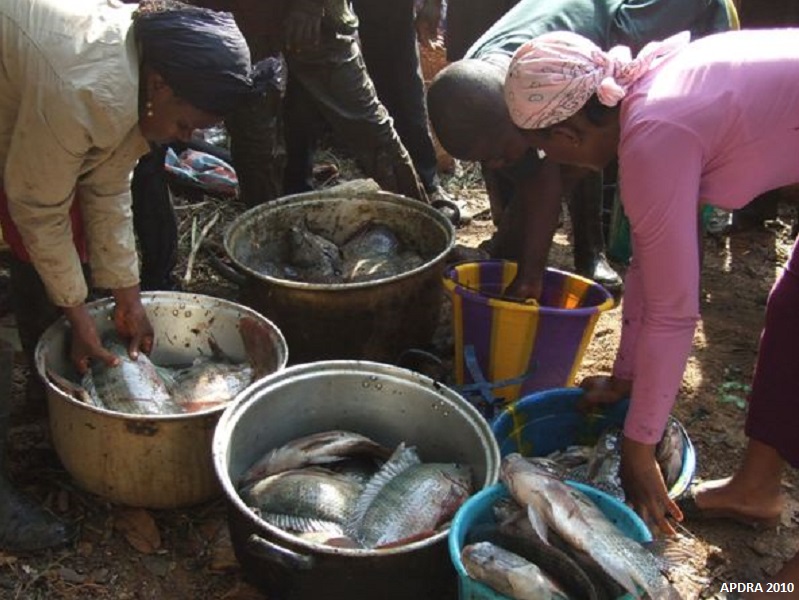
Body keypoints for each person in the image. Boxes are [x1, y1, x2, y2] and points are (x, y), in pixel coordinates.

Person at [501, 27, 799, 542]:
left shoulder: (653, 133)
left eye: (545, 151)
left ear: (567, 135)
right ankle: (756, 488)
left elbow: (673, 312)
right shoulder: (644, 91)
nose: (554, 163)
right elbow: (651, 264)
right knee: (792, 307)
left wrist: (640, 447)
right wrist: (628, 380)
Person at [0, 0, 263, 552]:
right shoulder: (83, 90)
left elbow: (108, 185)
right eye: (184, 124)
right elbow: (37, 208)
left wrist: (128, 296)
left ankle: (42, 384)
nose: (177, 137)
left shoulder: (138, 82)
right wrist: (78, 313)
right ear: (161, 85)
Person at [427, 0, 736, 298]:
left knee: (581, 145)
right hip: (572, 75)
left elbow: (555, 167)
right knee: (559, 147)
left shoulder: (607, 50)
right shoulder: (474, 84)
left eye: (495, 153)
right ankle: (508, 247)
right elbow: (535, 173)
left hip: (679, 24)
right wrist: (521, 264)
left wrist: (530, 275)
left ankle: (593, 252)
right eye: (484, 160)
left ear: (518, 117)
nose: (494, 165)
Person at [351, 0, 464, 220]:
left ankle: (426, 183)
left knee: (407, 90)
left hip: (395, 10)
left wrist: (433, 3)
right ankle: (385, 183)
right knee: (372, 93)